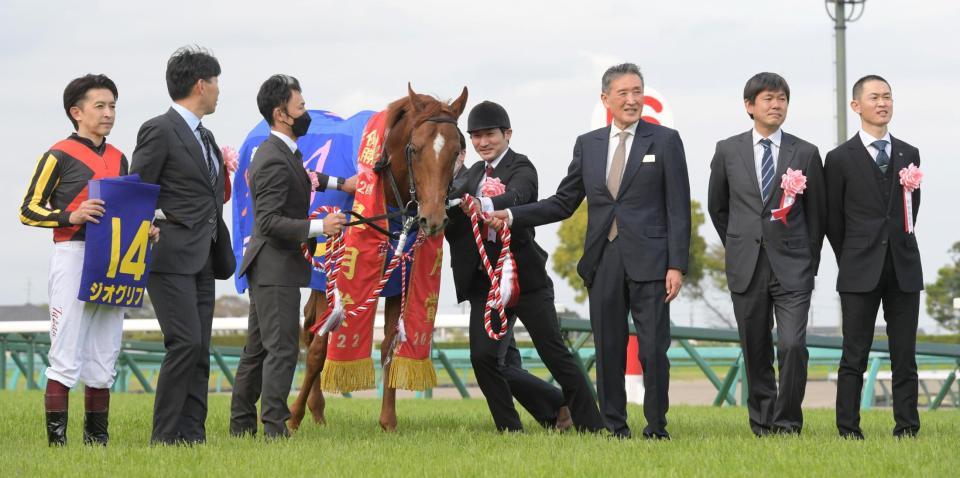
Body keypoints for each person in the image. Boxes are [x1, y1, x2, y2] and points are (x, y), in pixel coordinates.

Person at [491, 63, 691, 439]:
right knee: (610, 349)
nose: (632, 100)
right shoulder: (589, 144)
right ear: (606, 99)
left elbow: (678, 207)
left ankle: (656, 427)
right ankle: (615, 426)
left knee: (652, 351)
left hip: (652, 262)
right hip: (604, 261)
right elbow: (563, 202)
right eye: (623, 93)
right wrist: (511, 214)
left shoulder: (665, 141)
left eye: (637, 92)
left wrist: (677, 264)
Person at [444, 101, 602, 433]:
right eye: (476, 137)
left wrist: (482, 204)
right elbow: (450, 212)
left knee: (554, 353)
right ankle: (509, 429)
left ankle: (592, 424)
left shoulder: (522, 166)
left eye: (489, 135)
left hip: (525, 280)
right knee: (484, 358)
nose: (482, 142)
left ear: (507, 134)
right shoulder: (470, 175)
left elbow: (521, 196)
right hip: (486, 284)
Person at [20, 74, 158, 446]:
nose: (109, 113)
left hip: (113, 260)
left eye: (113, 106)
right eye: (100, 106)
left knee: (105, 352)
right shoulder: (58, 154)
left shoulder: (119, 157)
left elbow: (125, 211)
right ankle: (58, 445)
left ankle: (97, 443)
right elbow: (28, 210)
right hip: (73, 255)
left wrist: (143, 228)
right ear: (76, 111)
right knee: (65, 353)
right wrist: (71, 215)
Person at [707, 72, 826, 436]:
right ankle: (761, 424)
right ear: (749, 106)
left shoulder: (805, 152)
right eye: (768, 99)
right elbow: (718, 208)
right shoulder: (727, 150)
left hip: (794, 267)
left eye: (782, 99)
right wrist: (740, 244)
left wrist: (808, 259)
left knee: (792, 345)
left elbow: (817, 216)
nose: (776, 105)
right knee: (756, 347)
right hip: (746, 266)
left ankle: (787, 421)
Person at [229, 75, 346, 439]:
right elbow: (269, 221)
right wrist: (319, 226)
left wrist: (342, 185)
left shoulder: (284, 153)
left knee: (256, 350)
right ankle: (275, 428)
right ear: (282, 114)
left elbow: (306, 177)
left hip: (271, 266)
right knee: (280, 349)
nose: (305, 112)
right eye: (301, 107)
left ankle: (242, 425)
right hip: (274, 267)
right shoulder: (272, 158)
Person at [131, 46, 235, 445]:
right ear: (200, 85)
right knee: (185, 343)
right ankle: (165, 437)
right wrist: (152, 223)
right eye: (216, 83)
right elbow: (138, 188)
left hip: (204, 256)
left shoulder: (206, 136)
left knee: (201, 349)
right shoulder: (159, 129)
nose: (219, 92)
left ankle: (193, 436)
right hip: (169, 255)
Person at [825, 75, 923, 439]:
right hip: (858, 269)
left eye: (887, 97)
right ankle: (848, 429)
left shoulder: (909, 154)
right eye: (874, 97)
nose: (882, 103)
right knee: (854, 355)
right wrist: (852, 255)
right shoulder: (838, 159)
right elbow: (832, 220)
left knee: (904, 355)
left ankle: (908, 427)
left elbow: (912, 210)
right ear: (856, 106)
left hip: (904, 267)